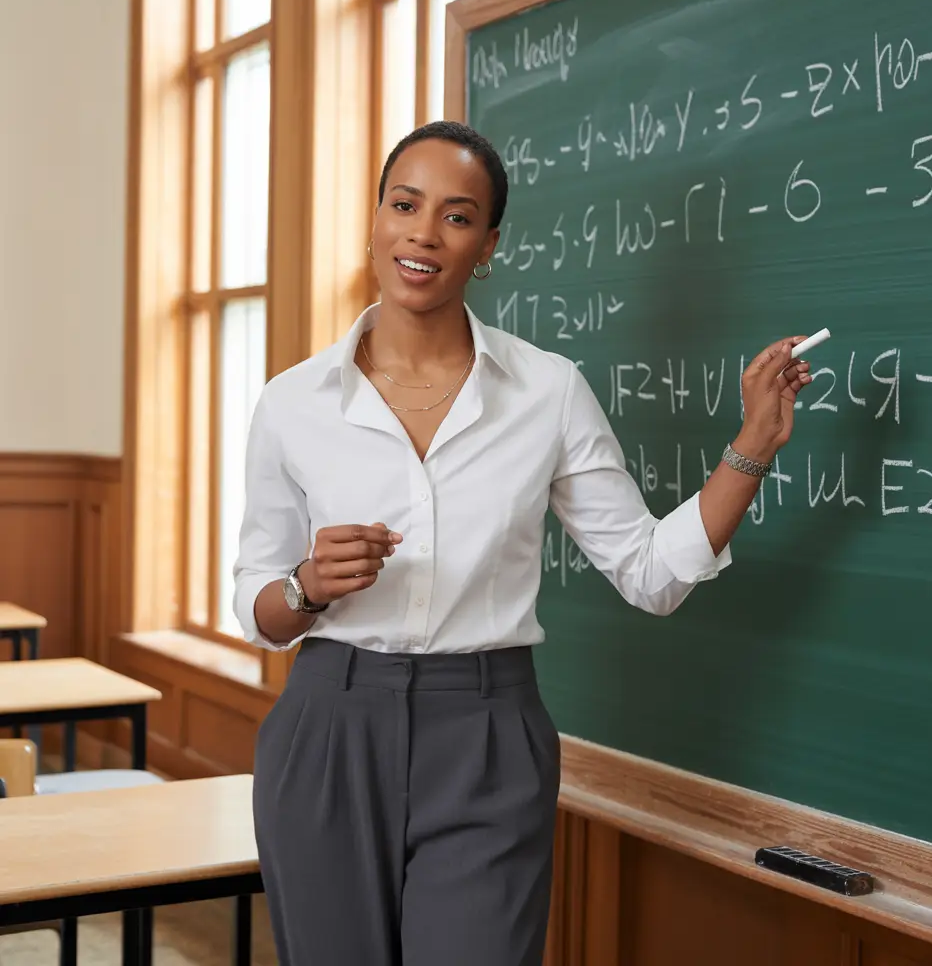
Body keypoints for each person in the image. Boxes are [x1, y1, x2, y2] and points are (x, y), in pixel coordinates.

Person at [234, 120, 816, 966]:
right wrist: (307, 584)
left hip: (486, 735)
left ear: (489, 246)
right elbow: (260, 608)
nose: (424, 234)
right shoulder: (293, 403)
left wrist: (753, 444)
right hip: (327, 729)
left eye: (457, 216)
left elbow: (651, 574)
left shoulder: (548, 391)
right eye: (405, 205)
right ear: (375, 220)